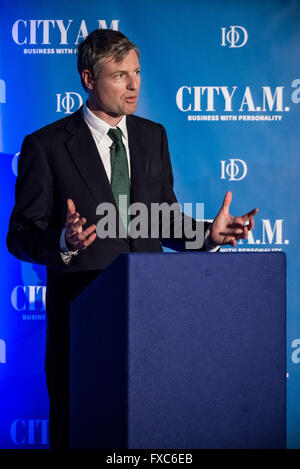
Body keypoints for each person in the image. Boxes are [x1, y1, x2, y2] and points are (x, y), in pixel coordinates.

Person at [7, 29, 258, 449]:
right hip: (82, 331)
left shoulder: (152, 136)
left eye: (137, 72)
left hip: (151, 325)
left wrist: (208, 236)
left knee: (151, 438)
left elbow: (163, 222)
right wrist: (64, 243)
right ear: (88, 79)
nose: (134, 83)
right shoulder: (46, 146)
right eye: (120, 75)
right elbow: (20, 236)